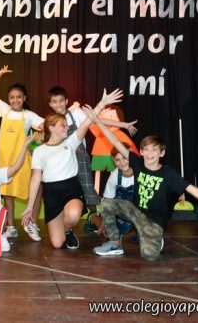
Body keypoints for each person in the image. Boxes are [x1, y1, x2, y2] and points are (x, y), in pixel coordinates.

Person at [88, 108, 198, 260]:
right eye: (146, 149)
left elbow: (196, 192)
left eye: (154, 150)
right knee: (107, 203)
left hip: (153, 221)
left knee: (150, 256)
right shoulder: (137, 162)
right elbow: (114, 140)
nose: (150, 153)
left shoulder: (168, 174)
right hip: (135, 210)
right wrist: (96, 120)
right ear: (141, 152)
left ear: (162, 153)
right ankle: (115, 244)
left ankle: (154, 238)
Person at [21, 89, 124, 250]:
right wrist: (29, 207)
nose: (67, 128)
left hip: (71, 191)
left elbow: (87, 122)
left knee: (74, 214)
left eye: (66, 124)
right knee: (57, 244)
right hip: (53, 197)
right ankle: (62, 227)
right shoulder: (39, 151)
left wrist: (102, 103)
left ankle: (68, 228)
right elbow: (35, 179)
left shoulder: (71, 143)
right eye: (63, 125)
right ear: (52, 128)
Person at [45, 86, 136, 239]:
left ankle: (94, 217)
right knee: (64, 192)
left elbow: (97, 120)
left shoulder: (76, 114)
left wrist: (123, 125)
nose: (58, 104)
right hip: (61, 164)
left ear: (66, 101)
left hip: (79, 158)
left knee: (88, 189)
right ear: (50, 104)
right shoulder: (49, 121)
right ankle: (66, 225)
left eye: (61, 100)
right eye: (54, 101)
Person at [0, 61, 43, 240]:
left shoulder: (29, 116)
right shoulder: (4, 109)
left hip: (22, 161)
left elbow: (45, 125)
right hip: (4, 160)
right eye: (12, 97)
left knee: (32, 191)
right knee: (7, 195)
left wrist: (41, 132)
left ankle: (31, 223)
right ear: (9, 99)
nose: (15, 100)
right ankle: (11, 227)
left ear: (24, 98)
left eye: (19, 97)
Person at [100, 143, 136, 239]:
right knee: (109, 233)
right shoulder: (114, 176)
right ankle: (93, 218)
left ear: (131, 155)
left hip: (140, 210)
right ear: (113, 160)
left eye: (124, 158)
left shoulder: (141, 171)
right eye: (117, 160)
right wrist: (104, 221)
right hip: (123, 212)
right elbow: (107, 199)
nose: (122, 163)